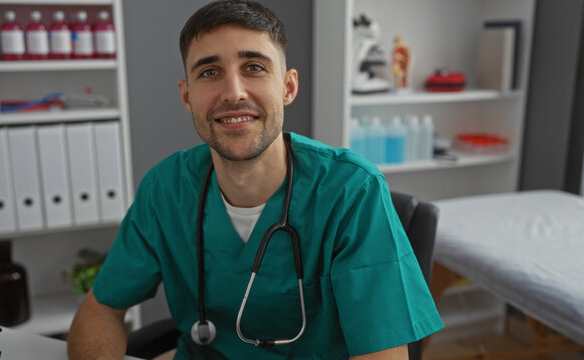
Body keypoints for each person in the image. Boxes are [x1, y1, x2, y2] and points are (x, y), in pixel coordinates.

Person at [67, 1, 443, 359]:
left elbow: (382, 353)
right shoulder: (166, 189)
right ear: (187, 96)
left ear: (288, 87)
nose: (233, 92)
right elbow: (102, 307)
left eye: (254, 67)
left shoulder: (351, 192)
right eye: (209, 72)